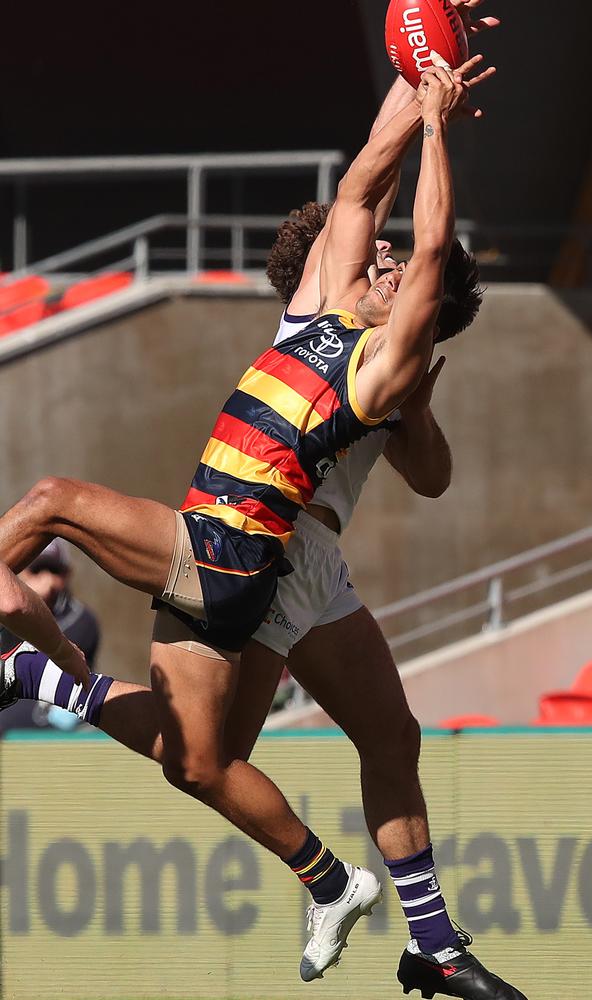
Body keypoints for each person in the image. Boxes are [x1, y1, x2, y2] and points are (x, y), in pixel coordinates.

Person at [0, 60, 525, 1000]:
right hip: (267, 549)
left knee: (366, 740)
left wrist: (439, 124)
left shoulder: (388, 372)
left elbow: (436, 472)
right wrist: (423, 65)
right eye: (376, 257)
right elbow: (367, 174)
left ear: (416, 308)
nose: (378, 258)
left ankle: (432, 943)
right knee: (199, 756)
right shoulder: (320, 314)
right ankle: (34, 673)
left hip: (282, 550)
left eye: (395, 268)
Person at [0, 539, 100, 733]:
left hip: (54, 730)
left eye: (54, 571)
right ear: (18, 571)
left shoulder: (82, 620)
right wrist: (22, 601)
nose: (46, 580)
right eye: (36, 570)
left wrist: (31, 604)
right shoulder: (6, 607)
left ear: (67, 574)